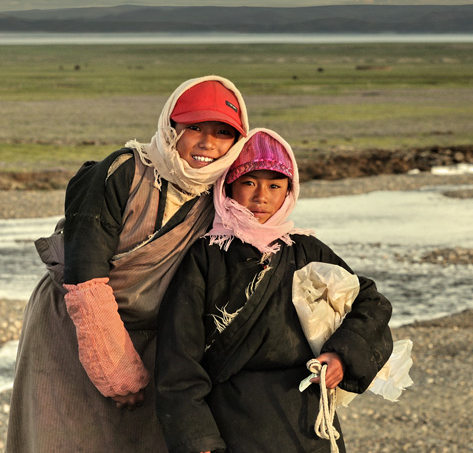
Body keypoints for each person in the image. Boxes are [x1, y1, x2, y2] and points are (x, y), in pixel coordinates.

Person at [6, 75, 250, 453]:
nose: (207, 142)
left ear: (237, 142)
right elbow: (85, 276)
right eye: (194, 127)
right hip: (70, 332)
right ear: (171, 128)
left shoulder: (221, 196)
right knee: (61, 437)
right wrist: (116, 372)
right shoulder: (121, 172)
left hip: (151, 342)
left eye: (222, 132)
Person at [155, 128, 394, 453]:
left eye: (275, 185)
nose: (261, 196)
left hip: (306, 419)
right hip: (231, 420)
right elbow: (178, 360)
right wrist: (199, 441)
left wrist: (341, 356)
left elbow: (369, 301)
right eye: (249, 182)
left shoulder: (306, 250)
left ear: (289, 191)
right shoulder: (205, 257)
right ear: (228, 187)